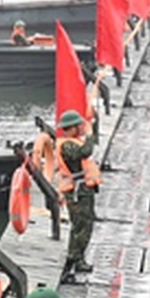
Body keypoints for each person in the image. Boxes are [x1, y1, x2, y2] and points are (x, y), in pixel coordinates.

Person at [55, 109, 100, 284]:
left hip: (83, 189)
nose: (81, 128)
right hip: (77, 192)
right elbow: (85, 152)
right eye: (78, 126)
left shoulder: (72, 142)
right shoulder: (68, 145)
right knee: (81, 225)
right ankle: (74, 258)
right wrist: (89, 135)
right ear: (71, 128)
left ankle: (79, 258)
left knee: (84, 224)